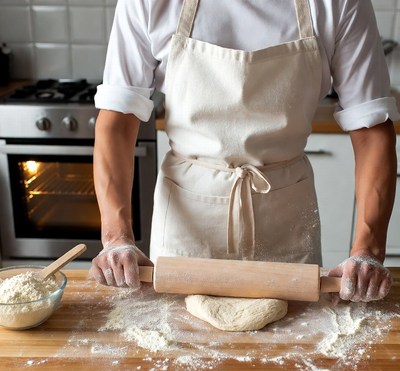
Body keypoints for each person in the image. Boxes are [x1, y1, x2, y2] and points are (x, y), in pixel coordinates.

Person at [90, 0, 398, 304]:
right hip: (186, 228)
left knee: (295, 341)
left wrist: (367, 251)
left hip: (285, 223)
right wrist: (117, 238)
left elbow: (371, 130)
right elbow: (117, 121)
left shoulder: (339, 4)